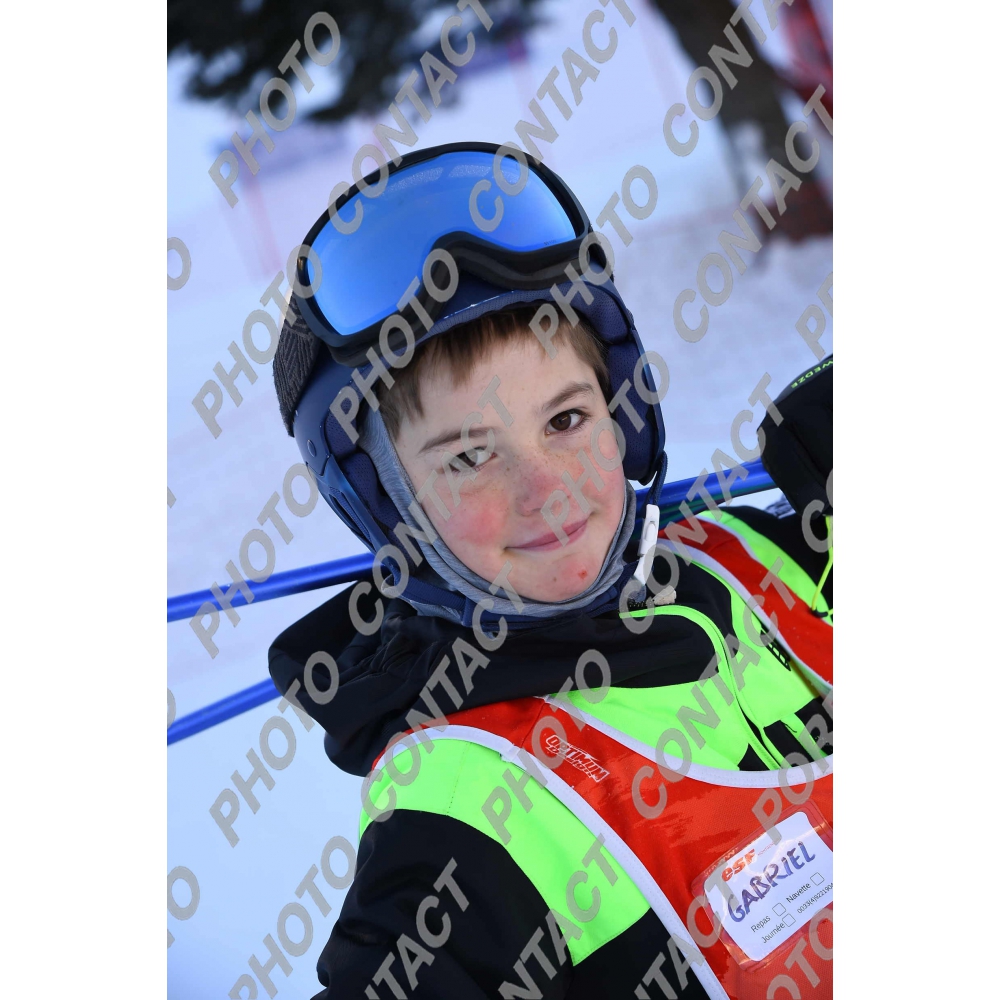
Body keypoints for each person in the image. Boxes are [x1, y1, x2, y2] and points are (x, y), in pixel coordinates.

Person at [269, 143, 833, 999]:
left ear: (621, 414)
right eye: (468, 459)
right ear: (390, 507)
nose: (547, 491)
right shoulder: (469, 814)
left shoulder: (745, 556)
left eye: (566, 420)